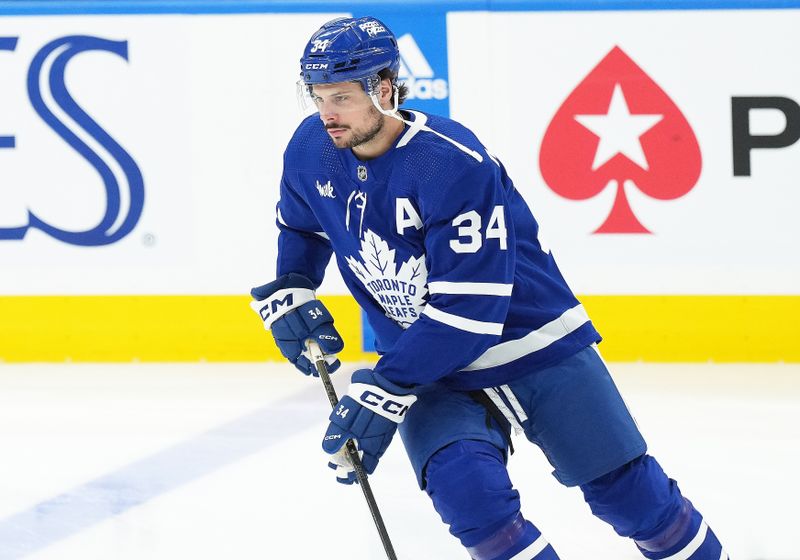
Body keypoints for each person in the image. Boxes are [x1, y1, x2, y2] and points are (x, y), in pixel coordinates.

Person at [250, 16, 728, 560]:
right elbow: (302, 224)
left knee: (634, 501)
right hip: (429, 364)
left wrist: (388, 384)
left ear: (383, 88)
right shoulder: (311, 147)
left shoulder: (449, 162)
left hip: (531, 341)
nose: (326, 112)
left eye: (341, 96)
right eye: (317, 96)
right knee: (474, 506)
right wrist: (295, 285)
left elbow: (471, 313)